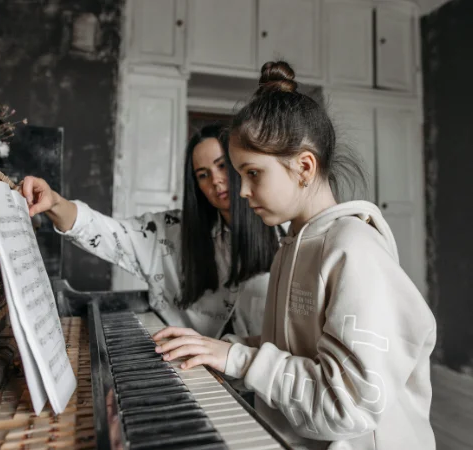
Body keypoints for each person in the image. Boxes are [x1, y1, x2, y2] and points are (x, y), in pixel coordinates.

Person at [153, 62, 436, 449]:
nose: (242, 192)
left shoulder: (354, 250)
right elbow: (294, 351)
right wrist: (222, 349)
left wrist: (237, 360)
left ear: (304, 167)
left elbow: (347, 405)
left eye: (252, 174)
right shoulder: (293, 243)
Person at [20, 124, 282, 339]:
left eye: (222, 165)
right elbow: (110, 232)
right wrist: (54, 202)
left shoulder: (284, 237)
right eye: (203, 174)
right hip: (191, 370)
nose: (215, 180)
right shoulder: (171, 231)